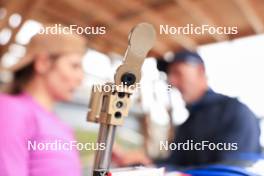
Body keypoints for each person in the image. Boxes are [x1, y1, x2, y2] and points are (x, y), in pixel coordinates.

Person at [113, 50, 261, 168]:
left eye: (178, 72)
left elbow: (232, 170)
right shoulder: (186, 124)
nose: (171, 80)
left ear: (200, 71)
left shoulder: (236, 112)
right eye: (170, 74)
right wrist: (146, 162)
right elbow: (175, 164)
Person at [0, 31, 87, 175]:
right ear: (43, 63)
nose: (80, 78)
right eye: (74, 66)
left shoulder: (62, 127)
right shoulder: (11, 110)